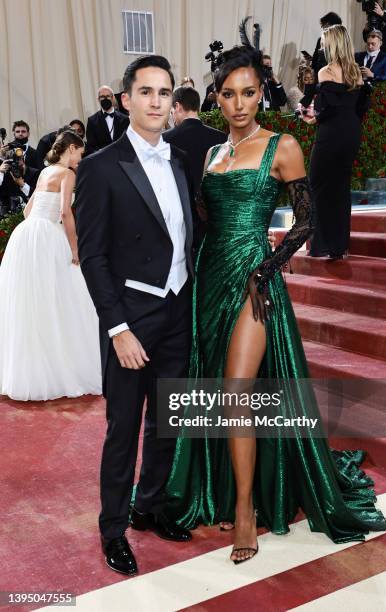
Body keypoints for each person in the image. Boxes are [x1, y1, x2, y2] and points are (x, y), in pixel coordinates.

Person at [163, 45, 386, 564]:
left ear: (261, 93)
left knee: (238, 389)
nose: (240, 104)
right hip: (210, 281)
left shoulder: (282, 145)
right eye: (229, 94)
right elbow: (202, 219)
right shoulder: (212, 154)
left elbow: (306, 222)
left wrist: (266, 269)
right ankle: (225, 490)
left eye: (249, 93)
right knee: (218, 389)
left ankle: (244, 510)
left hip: (255, 284)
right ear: (216, 98)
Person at [75, 55, 194, 577]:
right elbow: (93, 257)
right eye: (145, 92)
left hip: (177, 310)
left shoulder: (182, 162)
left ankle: (150, 506)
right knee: (123, 428)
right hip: (132, 318)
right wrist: (117, 327)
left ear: (173, 101)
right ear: (125, 100)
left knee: (169, 421)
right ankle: (113, 528)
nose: (154, 102)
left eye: (164, 93)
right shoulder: (100, 166)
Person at [0, 130, 101, 401]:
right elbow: (65, 212)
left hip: (25, 236)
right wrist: (74, 246)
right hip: (48, 237)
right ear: (70, 148)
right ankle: (61, 365)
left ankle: (32, 370)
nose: (81, 158)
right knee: (62, 299)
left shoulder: (45, 172)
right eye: (79, 153)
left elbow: (26, 210)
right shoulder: (68, 174)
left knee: (32, 302)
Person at [305, 25, 372, 259]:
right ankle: (339, 246)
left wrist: (311, 118)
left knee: (317, 183)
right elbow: (360, 108)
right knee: (341, 187)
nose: (322, 47)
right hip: (351, 132)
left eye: (324, 42)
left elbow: (326, 109)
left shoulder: (326, 71)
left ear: (332, 44)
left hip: (331, 133)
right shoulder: (356, 71)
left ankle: (321, 244)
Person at [164, 86, 226, 197]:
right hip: (211, 208)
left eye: (171, 112)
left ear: (177, 106)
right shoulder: (221, 138)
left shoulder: (165, 139)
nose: (172, 117)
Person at [85, 85, 129, 154]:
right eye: (102, 97)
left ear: (112, 98)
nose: (105, 99)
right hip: (103, 161)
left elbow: (129, 141)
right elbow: (90, 146)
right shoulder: (92, 121)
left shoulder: (125, 119)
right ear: (98, 99)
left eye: (108, 96)